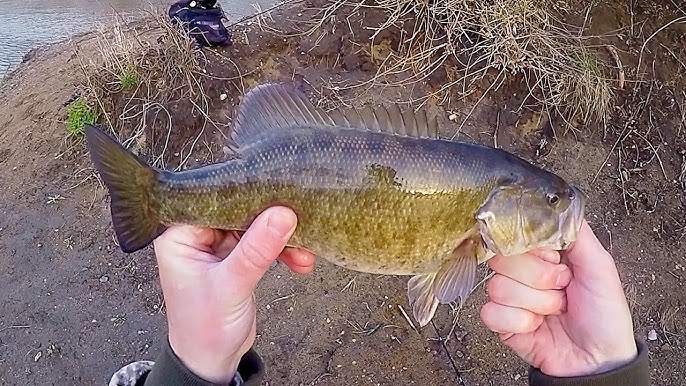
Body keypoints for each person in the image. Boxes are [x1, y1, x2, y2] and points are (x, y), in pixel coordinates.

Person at [108, 206, 650, 386]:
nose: (561, 210)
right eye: (548, 202)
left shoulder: (471, 241)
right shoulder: (470, 240)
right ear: (496, 208)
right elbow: (438, 285)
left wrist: (191, 370)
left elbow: (437, 285)